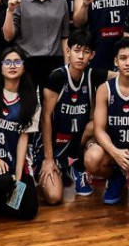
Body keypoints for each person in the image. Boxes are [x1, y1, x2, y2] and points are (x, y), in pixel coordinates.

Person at [83, 38, 129, 205]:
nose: (128, 63)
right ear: (116, 61)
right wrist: (115, 152)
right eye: (123, 58)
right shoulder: (105, 89)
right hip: (117, 150)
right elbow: (99, 129)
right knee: (92, 158)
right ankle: (117, 175)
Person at [36, 30, 101, 204]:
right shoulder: (57, 77)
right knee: (54, 197)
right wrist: (49, 159)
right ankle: (50, 168)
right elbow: (45, 118)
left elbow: (124, 74)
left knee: (97, 123)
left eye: (86, 52)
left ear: (92, 55)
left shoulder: (92, 75)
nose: (80, 56)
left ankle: (78, 167)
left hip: (75, 142)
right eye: (77, 50)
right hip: (53, 144)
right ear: (68, 51)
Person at [0, 47, 41, 221]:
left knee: (28, 210)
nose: (12, 66)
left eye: (17, 62)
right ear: (1, 67)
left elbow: (23, 140)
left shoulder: (31, 100)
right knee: (1, 181)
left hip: (13, 164)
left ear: (24, 67)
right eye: (7, 62)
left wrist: (18, 181)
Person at [3, 0, 70, 90]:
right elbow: (8, 36)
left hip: (54, 61)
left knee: (53, 101)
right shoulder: (19, 1)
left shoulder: (61, 2)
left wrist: (67, 65)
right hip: (28, 61)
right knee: (28, 100)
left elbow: (64, 36)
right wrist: (10, 11)